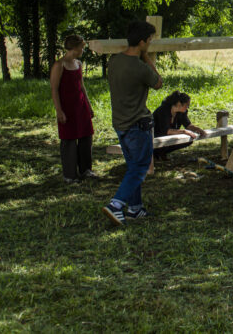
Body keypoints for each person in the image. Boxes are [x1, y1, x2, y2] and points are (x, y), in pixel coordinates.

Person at [102, 20, 163, 227]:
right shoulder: (140, 67)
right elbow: (158, 82)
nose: (151, 43)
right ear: (143, 41)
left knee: (132, 166)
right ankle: (116, 204)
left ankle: (135, 209)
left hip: (120, 123)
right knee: (140, 167)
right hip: (138, 124)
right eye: (150, 40)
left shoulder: (114, 61)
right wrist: (147, 59)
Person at [50, 34, 96, 183]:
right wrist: (59, 110)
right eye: (82, 47)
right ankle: (70, 175)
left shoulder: (79, 63)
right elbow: (54, 89)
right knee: (69, 139)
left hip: (80, 105)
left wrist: (88, 105)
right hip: (66, 106)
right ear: (75, 48)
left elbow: (82, 86)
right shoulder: (59, 65)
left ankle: (85, 169)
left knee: (86, 136)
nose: (83, 50)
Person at [152, 91, 206, 161]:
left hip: (167, 136)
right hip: (156, 136)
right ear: (179, 104)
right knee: (185, 135)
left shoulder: (182, 112)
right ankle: (156, 153)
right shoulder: (163, 110)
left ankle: (162, 153)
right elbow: (166, 131)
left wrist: (198, 129)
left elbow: (188, 125)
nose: (188, 107)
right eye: (187, 105)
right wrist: (184, 131)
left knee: (189, 139)